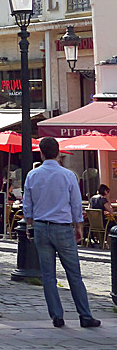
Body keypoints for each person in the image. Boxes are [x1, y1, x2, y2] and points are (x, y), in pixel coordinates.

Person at [24, 136, 101, 329]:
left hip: (41, 226)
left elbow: (27, 205)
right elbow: (76, 203)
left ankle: (56, 315)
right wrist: (79, 226)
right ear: (58, 153)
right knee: (74, 273)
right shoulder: (68, 175)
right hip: (63, 226)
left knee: (48, 275)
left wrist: (29, 225)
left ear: (41, 154)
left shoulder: (33, 175)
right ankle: (85, 315)